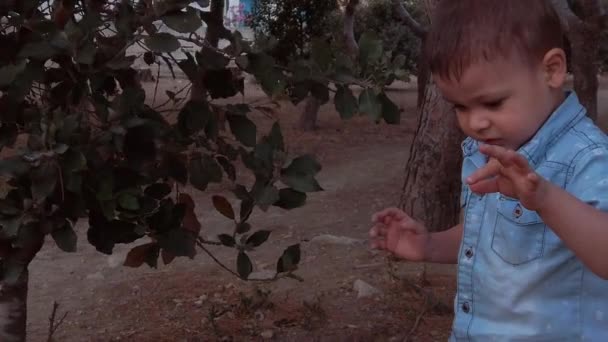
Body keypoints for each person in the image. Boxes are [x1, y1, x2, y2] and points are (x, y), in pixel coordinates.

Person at [368, 0, 608, 340]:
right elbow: (485, 237)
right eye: (460, 107)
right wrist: (428, 246)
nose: (475, 122)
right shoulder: (488, 152)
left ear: (551, 70)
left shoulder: (587, 156)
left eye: (493, 103)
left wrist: (545, 199)